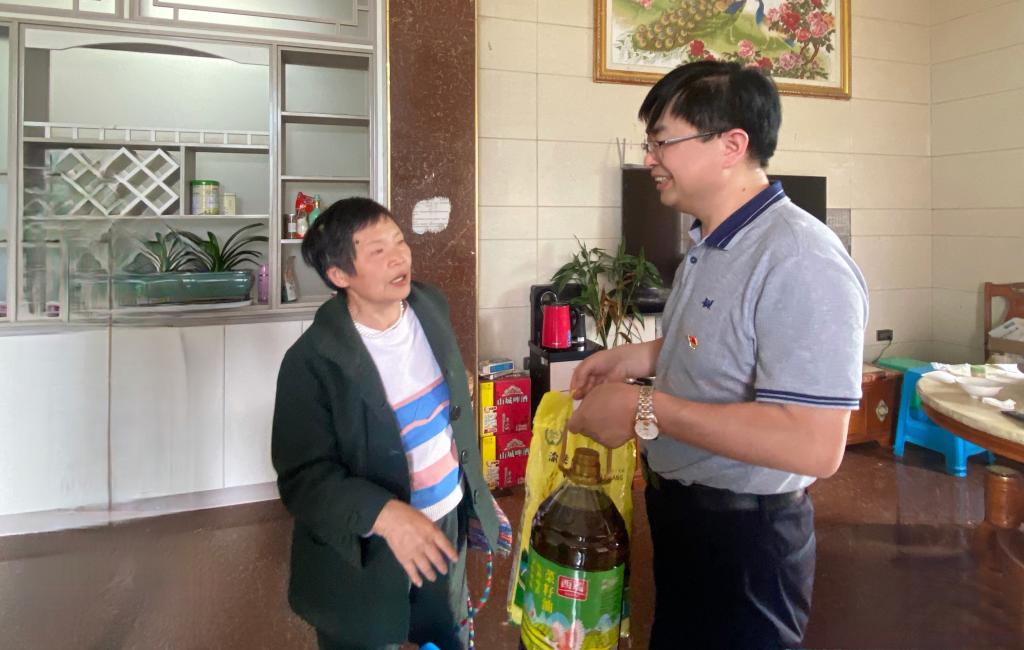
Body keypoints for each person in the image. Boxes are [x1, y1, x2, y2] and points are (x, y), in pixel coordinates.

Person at [567, 61, 868, 649]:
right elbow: (721, 342)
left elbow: (813, 443)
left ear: (732, 145)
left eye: (662, 141)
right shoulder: (711, 242)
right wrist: (638, 358)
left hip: (747, 538)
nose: (650, 158)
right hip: (686, 516)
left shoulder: (801, 259)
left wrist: (643, 409)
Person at [271, 197, 501, 650]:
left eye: (399, 241)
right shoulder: (311, 362)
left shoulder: (430, 306)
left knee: (447, 635)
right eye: (377, 251)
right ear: (340, 276)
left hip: (444, 523)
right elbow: (304, 478)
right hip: (368, 548)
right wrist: (385, 515)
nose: (399, 257)